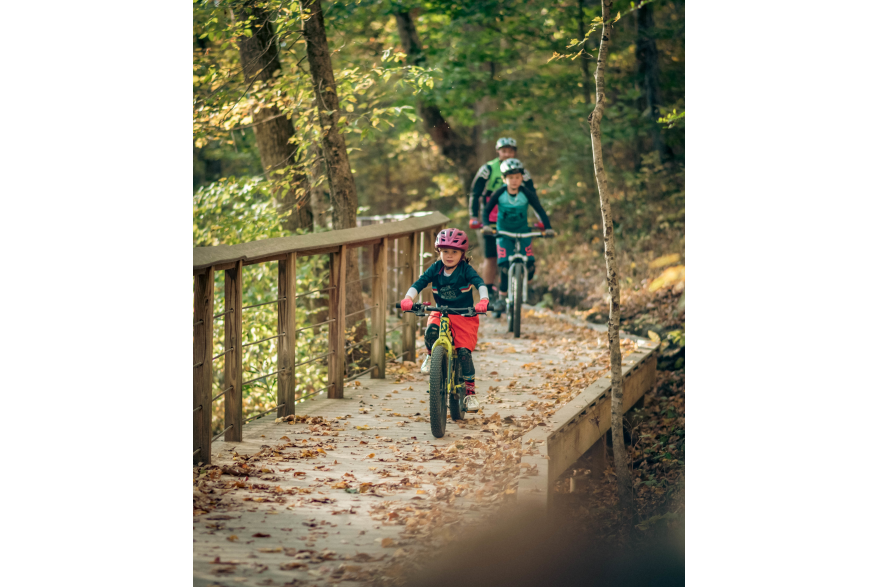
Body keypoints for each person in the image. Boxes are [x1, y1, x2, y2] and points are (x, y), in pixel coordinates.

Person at [400, 228, 489, 412]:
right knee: (431, 331)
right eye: (445, 251)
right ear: (438, 251)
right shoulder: (436, 268)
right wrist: (409, 298)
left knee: (464, 353)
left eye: (454, 252)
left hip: (464, 315)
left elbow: (480, 283)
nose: (449, 256)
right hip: (440, 311)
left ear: (462, 254)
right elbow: (420, 282)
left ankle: (470, 394)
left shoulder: (465, 269)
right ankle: (431, 356)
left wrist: (484, 300)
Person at [469, 138, 536, 316]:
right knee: (491, 257)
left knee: (521, 251)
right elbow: (475, 193)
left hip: (516, 218)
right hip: (492, 218)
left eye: (510, 151)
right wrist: (474, 216)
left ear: (514, 152)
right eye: (503, 151)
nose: (507, 154)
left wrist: (540, 219)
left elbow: (532, 195)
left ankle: (518, 288)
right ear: (498, 151)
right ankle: (490, 293)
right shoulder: (488, 169)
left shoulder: (521, 171)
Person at [481, 158, 554, 306]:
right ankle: (502, 296)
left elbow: (539, 209)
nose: (514, 181)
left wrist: (548, 227)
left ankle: (524, 285)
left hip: (523, 232)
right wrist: (487, 226)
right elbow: (487, 210)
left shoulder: (526, 193)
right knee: (505, 265)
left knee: (531, 265)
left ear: (522, 178)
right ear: (504, 179)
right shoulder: (499, 193)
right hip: (504, 233)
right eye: (510, 178)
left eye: (517, 177)